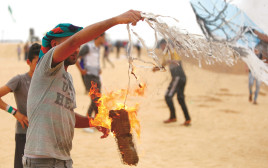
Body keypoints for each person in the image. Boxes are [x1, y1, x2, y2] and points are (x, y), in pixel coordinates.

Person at [23, 10, 143, 168]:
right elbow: (74, 42)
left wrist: (96, 122)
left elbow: (68, 116)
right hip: (41, 160)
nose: (77, 48)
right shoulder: (46, 65)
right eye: (74, 43)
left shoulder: (67, 78)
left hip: (64, 159)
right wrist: (116, 20)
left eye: (80, 45)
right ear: (54, 45)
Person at [0, 43, 40, 168]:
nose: (40, 66)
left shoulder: (46, 82)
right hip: (24, 134)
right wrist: (15, 112)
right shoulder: (20, 80)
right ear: (28, 62)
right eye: (37, 62)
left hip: (43, 136)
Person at [153, 39, 191, 126]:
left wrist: (169, 61)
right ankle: (187, 119)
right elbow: (162, 66)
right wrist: (156, 69)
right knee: (180, 98)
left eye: (163, 45)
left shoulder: (173, 52)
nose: (162, 47)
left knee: (168, 96)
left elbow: (177, 62)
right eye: (161, 46)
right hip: (178, 78)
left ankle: (173, 117)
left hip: (178, 77)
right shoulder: (165, 55)